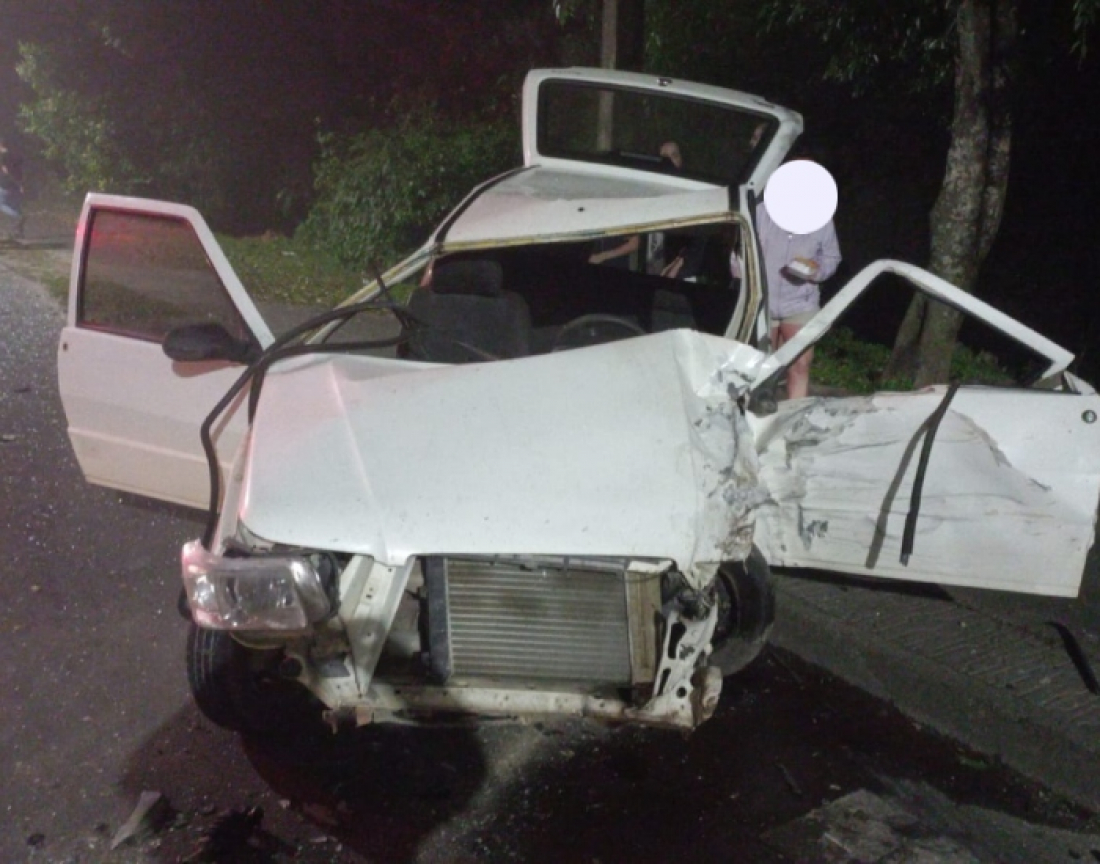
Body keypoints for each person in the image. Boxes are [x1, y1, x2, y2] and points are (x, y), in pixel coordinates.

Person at [733, 200, 841, 400]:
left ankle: (793, 420)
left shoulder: (821, 218)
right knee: (761, 367)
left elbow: (832, 257)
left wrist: (816, 272)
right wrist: (741, 273)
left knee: (800, 365)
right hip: (761, 301)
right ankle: (756, 416)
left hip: (801, 302)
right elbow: (739, 248)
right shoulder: (761, 211)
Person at [0, 138, 26, 241]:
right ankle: (18, 229)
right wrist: (20, 184)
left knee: (2, 205)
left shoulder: (3, 157)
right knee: (13, 204)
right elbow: (19, 171)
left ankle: (19, 217)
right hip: (14, 186)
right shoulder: (14, 156)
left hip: (4, 184)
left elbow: (6, 172)